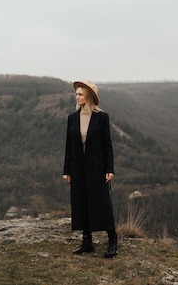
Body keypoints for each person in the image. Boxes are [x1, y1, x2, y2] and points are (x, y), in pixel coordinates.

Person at [63, 80, 118, 258]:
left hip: (97, 167)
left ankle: (112, 241)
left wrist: (110, 169)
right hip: (77, 167)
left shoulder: (102, 117)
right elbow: (68, 146)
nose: (77, 97)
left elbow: (107, 145)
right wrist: (67, 170)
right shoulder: (72, 117)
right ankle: (87, 242)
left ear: (89, 96)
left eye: (80, 94)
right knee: (81, 201)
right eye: (76, 94)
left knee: (102, 202)